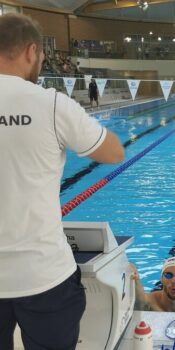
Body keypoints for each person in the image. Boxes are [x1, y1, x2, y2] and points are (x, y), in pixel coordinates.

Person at [0, 13, 124, 350]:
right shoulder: (52, 104)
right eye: (41, 56)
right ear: (30, 51)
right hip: (43, 276)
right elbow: (113, 153)